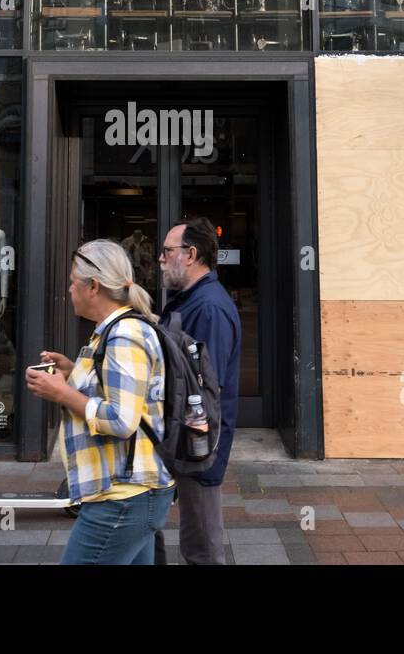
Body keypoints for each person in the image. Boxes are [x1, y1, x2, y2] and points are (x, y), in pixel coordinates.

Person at [26, 239, 175, 565]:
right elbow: (113, 390)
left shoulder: (124, 335)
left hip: (122, 497)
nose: (68, 289)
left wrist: (61, 393)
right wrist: (71, 372)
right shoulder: (113, 331)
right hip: (131, 493)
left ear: (93, 286)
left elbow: (122, 419)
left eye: (72, 282)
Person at [159, 217, 241, 565]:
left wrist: (191, 454)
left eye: (167, 251)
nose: (161, 259)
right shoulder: (188, 301)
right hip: (182, 443)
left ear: (190, 254)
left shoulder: (208, 307)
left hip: (197, 449)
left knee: (201, 550)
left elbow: (208, 390)